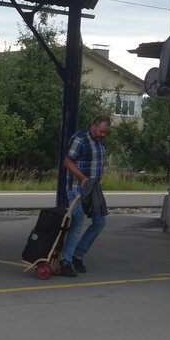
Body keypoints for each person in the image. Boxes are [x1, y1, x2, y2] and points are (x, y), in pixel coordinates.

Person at [60, 115, 111, 276]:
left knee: (100, 222)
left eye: (105, 133)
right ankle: (65, 261)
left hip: (93, 189)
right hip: (78, 188)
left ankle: (78, 255)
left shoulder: (98, 142)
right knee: (77, 224)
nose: (103, 135)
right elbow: (68, 162)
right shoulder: (80, 139)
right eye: (101, 131)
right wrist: (83, 178)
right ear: (93, 126)